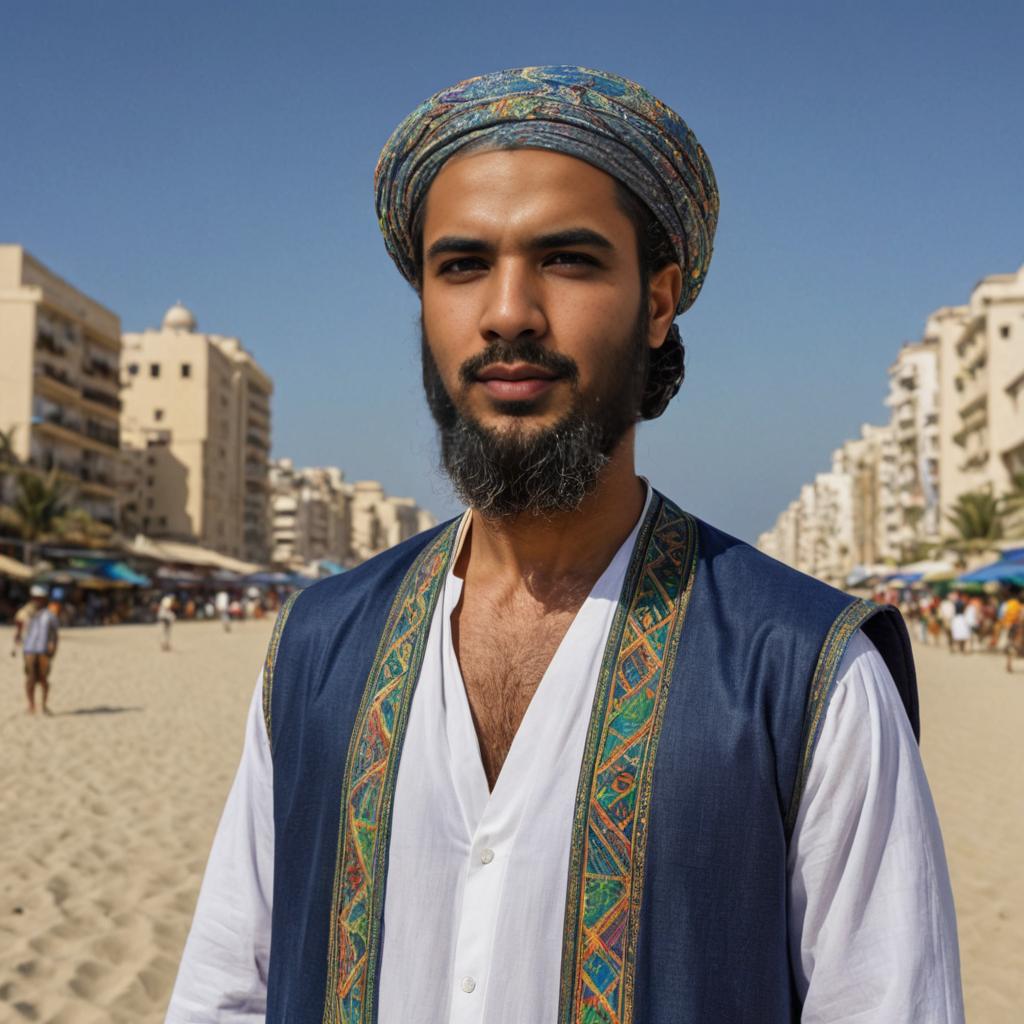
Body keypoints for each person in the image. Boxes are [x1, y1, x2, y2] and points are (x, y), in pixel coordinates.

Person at [167, 66, 963, 1022]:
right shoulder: (313, 651)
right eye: (461, 265)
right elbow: (225, 991)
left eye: (568, 260)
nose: (508, 312)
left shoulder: (808, 675)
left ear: (658, 302)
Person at [12, 584, 59, 715]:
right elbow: (18, 628)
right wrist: (16, 639)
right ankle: (31, 706)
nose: (38, 600)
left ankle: (44, 706)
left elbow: (54, 634)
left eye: (40, 598)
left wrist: (53, 648)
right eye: (36, 597)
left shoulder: (50, 615)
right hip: (29, 649)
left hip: (43, 649)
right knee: (30, 678)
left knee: (43, 679)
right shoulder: (25, 613)